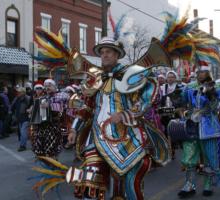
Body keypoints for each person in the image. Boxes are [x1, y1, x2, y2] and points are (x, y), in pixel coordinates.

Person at [64, 37, 170, 199]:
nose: (104, 55)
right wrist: (74, 128)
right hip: (97, 138)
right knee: (90, 182)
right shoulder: (95, 79)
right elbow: (86, 107)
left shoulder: (131, 75)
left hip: (126, 138)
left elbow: (143, 101)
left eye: (108, 52)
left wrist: (124, 114)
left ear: (117, 55)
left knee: (129, 186)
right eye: (102, 52)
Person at [178, 66, 220, 198]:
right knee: (189, 157)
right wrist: (181, 108)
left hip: (209, 126)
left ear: (208, 73)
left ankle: (207, 185)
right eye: (198, 72)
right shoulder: (189, 86)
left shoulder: (215, 86)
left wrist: (212, 91)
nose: (200, 74)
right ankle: (189, 185)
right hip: (191, 125)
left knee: (209, 157)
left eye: (203, 72)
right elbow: (181, 101)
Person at [30, 79, 69, 157]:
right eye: (46, 86)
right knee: (40, 147)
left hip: (55, 125)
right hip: (43, 126)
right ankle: (46, 161)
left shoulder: (62, 95)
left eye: (49, 85)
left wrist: (50, 106)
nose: (47, 87)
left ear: (55, 86)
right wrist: (32, 110)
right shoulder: (43, 98)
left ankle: (52, 164)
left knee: (51, 148)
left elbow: (65, 107)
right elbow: (41, 113)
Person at [12, 87, 32, 151]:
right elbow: (13, 106)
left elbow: (32, 106)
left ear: (23, 92)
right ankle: (23, 145)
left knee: (23, 132)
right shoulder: (17, 98)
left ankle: (22, 146)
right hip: (20, 118)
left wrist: (29, 110)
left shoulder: (27, 98)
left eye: (19, 92)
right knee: (22, 132)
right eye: (17, 92)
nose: (18, 93)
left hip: (25, 118)